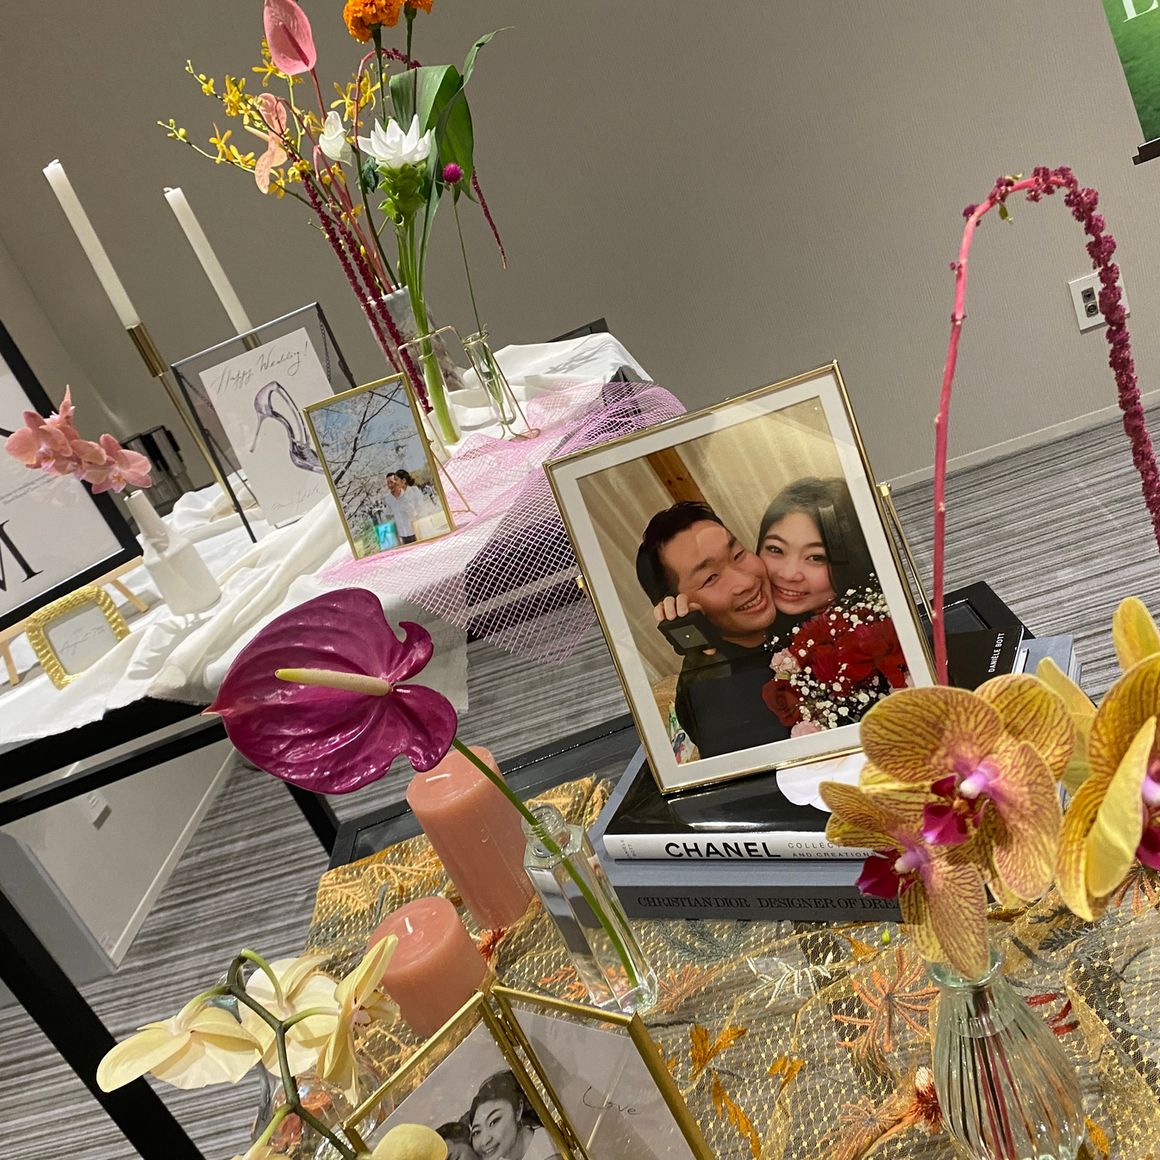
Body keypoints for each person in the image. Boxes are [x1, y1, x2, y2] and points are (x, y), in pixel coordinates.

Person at [635, 501, 788, 759]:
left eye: (738, 554)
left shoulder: (795, 601)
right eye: (710, 578)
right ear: (681, 605)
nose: (746, 582)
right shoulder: (710, 693)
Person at [468, 1070, 561, 1160]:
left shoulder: (549, 1149)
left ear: (518, 1110)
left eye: (493, 1122)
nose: (485, 1141)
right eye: (476, 1132)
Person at [384, 468, 432, 544]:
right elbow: (388, 515)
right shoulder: (388, 499)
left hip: (416, 530)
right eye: (388, 483)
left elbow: (420, 510)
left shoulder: (413, 491)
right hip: (402, 535)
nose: (390, 485)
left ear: (403, 480)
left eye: (394, 481)